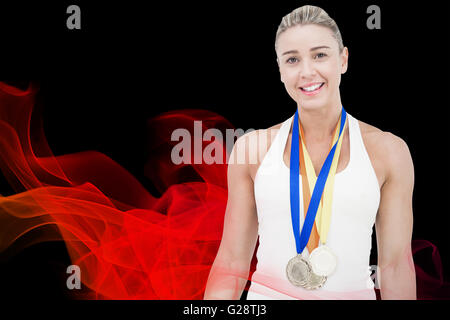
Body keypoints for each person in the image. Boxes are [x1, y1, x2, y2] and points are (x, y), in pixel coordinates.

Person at [204, 5, 416, 300]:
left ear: (343, 59)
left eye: (320, 55)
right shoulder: (251, 149)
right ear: (280, 70)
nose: (307, 72)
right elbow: (231, 263)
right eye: (292, 59)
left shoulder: (389, 151)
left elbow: (395, 267)